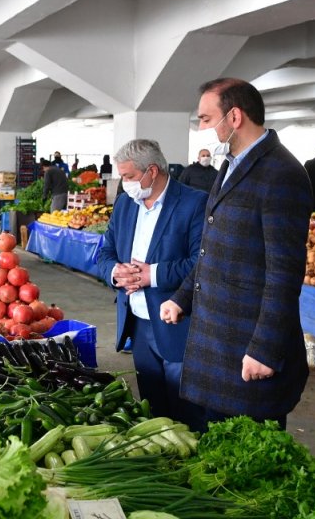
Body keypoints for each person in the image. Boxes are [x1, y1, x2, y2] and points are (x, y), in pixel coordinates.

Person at [159, 78, 311, 428]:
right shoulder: (231, 165)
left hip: (247, 348)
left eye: (206, 119)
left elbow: (284, 273)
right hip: (217, 342)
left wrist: (265, 349)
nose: (201, 129)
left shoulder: (281, 173)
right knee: (216, 446)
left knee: (249, 457)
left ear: (235, 117)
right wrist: (183, 298)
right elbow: (212, 247)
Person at [94, 139, 207, 426]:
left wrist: (151, 275)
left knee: (184, 411)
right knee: (153, 407)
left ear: (152, 171)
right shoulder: (125, 204)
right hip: (138, 322)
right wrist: (115, 272)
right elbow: (105, 252)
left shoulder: (194, 203)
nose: (125, 183)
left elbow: (201, 262)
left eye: (130, 176)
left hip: (176, 324)